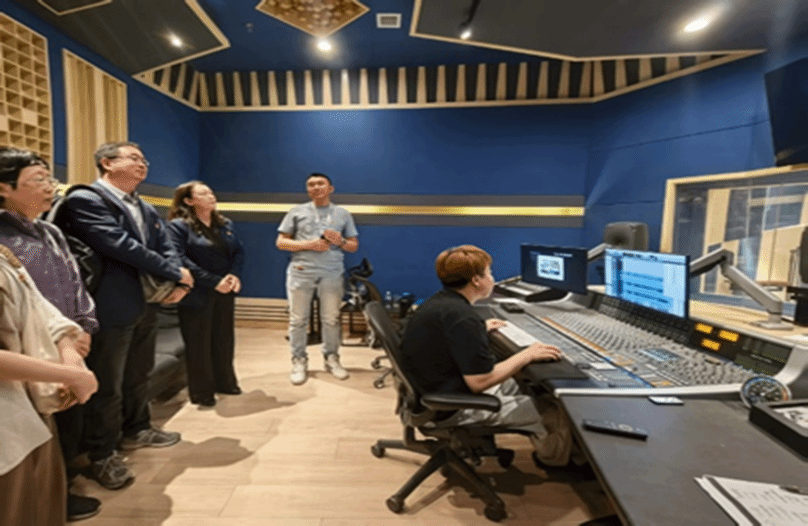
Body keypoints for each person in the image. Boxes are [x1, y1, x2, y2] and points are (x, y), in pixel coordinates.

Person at [57, 142, 193, 490]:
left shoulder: (143, 206)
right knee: (108, 382)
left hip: (145, 303)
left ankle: (138, 428)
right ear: (106, 163)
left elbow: (164, 245)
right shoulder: (85, 200)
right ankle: (101, 454)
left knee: (138, 373)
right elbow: (119, 244)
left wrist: (178, 277)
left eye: (144, 159)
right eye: (133, 158)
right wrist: (174, 272)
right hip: (110, 305)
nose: (142, 164)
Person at [400, 245, 576, 467]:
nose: (492, 278)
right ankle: (552, 461)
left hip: (430, 393)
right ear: (476, 281)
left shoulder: (442, 304)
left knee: (518, 382)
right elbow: (479, 382)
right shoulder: (463, 318)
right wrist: (526, 355)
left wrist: (477, 330)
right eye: (489, 273)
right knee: (556, 414)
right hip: (448, 408)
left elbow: (444, 338)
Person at [0, 147, 102, 520]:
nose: (50, 187)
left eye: (49, 178)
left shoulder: (50, 230)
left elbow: (73, 282)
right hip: (25, 358)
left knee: (65, 423)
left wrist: (80, 328)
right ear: (4, 188)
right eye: (38, 180)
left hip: (63, 344)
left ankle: (64, 489)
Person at [167, 181, 244, 407]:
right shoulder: (178, 226)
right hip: (196, 291)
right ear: (189, 201)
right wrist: (213, 281)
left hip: (225, 288)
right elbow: (180, 259)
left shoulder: (225, 223)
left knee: (223, 339)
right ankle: (202, 392)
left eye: (211, 192)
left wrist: (234, 275)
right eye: (203, 193)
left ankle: (225, 382)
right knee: (198, 343)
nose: (211, 196)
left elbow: (238, 252)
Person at [276, 173, 358, 385]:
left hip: (332, 273)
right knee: (298, 320)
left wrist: (340, 241)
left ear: (331, 188)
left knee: (331, 319)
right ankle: (299, 360)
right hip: (301, 271)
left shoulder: (342, 214)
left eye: (320, 183)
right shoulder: (296, 211)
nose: (315, 187)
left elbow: (353, 246)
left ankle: (332, 358)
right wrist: (309, 244)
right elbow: (281, 242)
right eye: (310, 184)